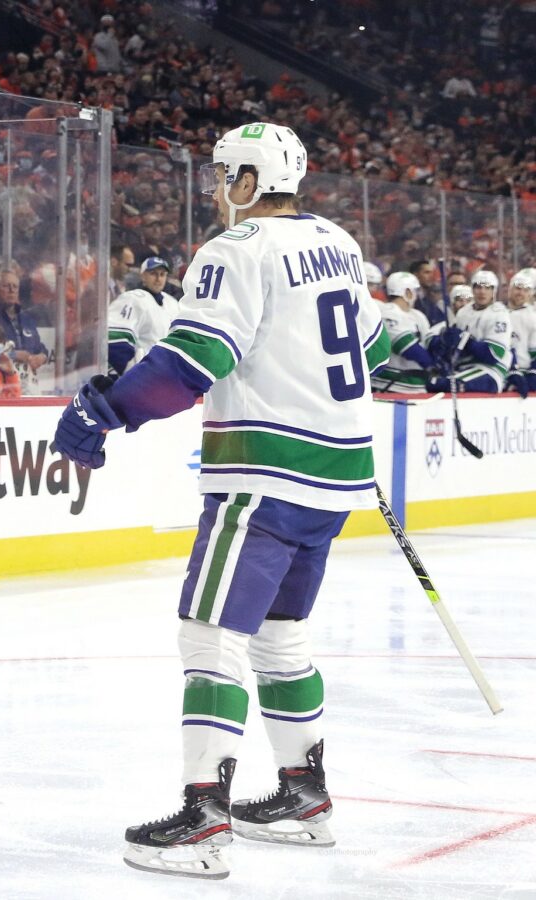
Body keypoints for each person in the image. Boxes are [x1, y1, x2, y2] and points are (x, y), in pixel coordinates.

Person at [54, 123, 389, 880]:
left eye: (222, 175)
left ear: (247, 178)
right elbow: (375, 348)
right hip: (333, 476)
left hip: (262, 476)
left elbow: (195, 360)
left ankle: (204, 819)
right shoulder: (337, 240)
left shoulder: (236, 251)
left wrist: (109, 409)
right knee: (281, 636)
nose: (216, 188)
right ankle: (305, 798)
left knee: (210, 635)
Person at [428, 269, 509, 394]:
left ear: (494, 290)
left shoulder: (499, 314)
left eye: (487, 288)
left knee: (445, 385)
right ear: (472, 289)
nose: (482, 291)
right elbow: (454, 347)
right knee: (432, 383)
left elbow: (494, 355)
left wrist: (466, 341)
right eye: (478, 287)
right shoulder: (463, 312)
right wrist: (446, 340)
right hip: (463, 368)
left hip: (490, 371)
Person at [0, 268, 47, 392]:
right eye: (6, 286)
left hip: (29, 384)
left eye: (15, 286)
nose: (11, 290)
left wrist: (42, 356)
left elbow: (40, 348)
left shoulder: (27, 320)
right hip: (0, 383)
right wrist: (13, 355)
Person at [107, 256, 179, 377]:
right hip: (143, 378)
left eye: (162, 274)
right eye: (153, 274)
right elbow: (116, 342)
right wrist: (129, 376)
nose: (158, 279)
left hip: (167, 379)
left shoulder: (172, 303)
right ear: (143, 276)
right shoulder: (133, 299)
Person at [370, 272, 436, 394]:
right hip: (391, 385)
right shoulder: (386, 312)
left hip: (417, 386)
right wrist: (434, 365)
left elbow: (430, 341)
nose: (417, 295)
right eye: (415, 291)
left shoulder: (418, 315)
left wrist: (442, 345)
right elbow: (406, 347)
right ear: (407, 292)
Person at [505, 271, 536, 396]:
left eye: (526, 290)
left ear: (531, 294)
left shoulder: (533, 317)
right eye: (518, 288)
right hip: (502, 370)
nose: (521, 293)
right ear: (510, 289)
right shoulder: (497, 312)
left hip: (524, 372)